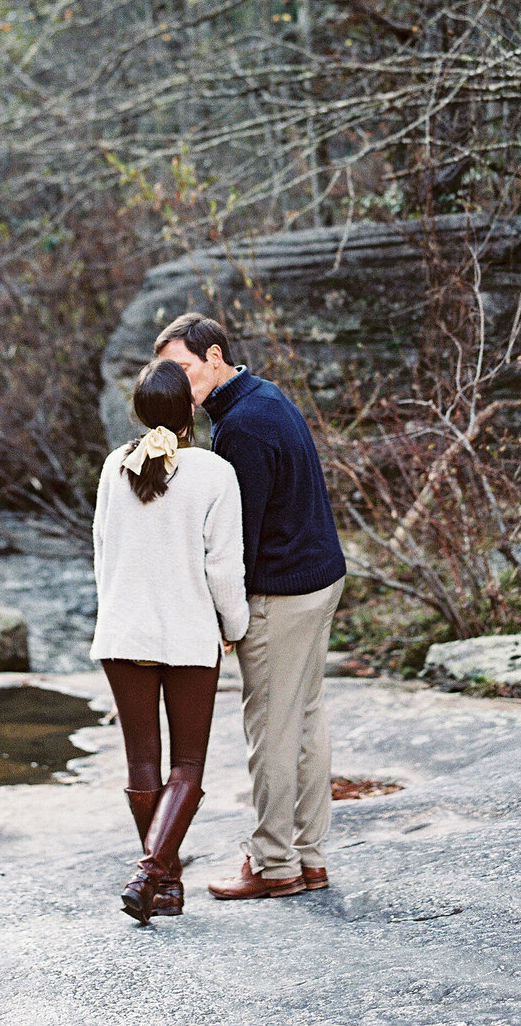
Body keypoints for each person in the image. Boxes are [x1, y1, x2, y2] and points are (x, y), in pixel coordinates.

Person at [155, 313, 347, 901]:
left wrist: (227, 620)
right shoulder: (265, 395)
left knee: (270, 728)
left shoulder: (240, 429)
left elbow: (237, 540)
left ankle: (273, 865)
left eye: (183, 369)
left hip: (284, 594)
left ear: (214, 358)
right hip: (320, 578)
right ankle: (308, 860)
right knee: (306, 719)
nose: (177, 382)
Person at [91, 356, 250, 924]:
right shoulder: (214, 473)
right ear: (191, 408)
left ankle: (167, 883)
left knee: (142, 764)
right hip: (188, 636)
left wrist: (113, 617)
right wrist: (235, 628)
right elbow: (224, 569)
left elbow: (102, 555)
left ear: (137, 412)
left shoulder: (116, 466)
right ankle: (151, 873)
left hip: (122, 634)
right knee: (187, 764)